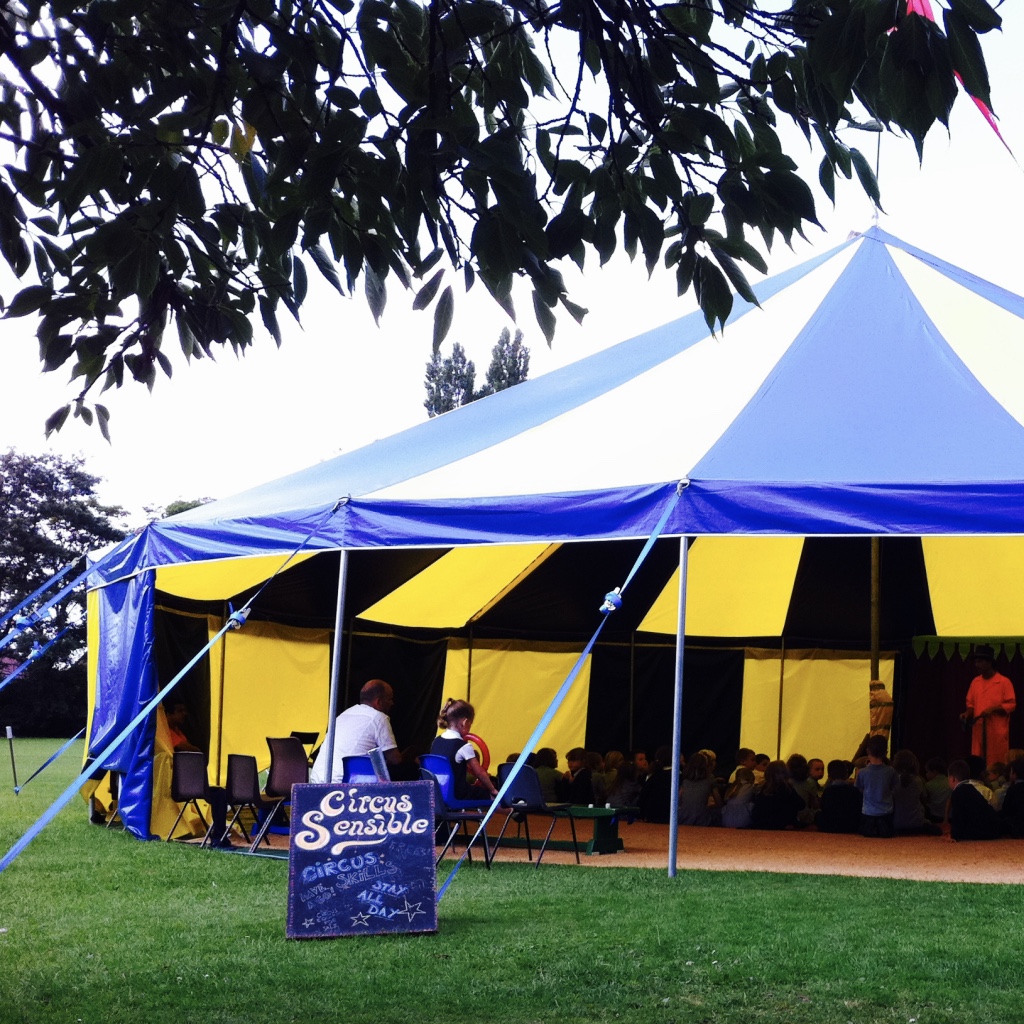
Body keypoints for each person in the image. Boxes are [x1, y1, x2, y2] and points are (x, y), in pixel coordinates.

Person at [309, 679, 401, 784]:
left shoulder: (343, 715)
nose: (392, 703)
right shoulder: (378, 718)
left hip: (317, 781)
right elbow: (395, 760)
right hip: (344, 783)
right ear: (378, 702)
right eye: (390, 699)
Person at [430, 698, 498, 799]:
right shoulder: (463, 746)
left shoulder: (436, 741)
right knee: (491, 796)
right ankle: (512, 812)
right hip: (457, 794)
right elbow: (480, 773)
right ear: (465, 722)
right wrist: (493, 789)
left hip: (436, 792)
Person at [961, 644, 1016, 765]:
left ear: (989, 663)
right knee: (978, 761)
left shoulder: (1003, 682)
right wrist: (967, 713)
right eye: (976, 662)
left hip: (996, 732)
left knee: (996, 762)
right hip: (979, 730)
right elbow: (971, 704)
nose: (977, 665)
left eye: (980, 662)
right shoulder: (976, 682)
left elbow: (1011, 704)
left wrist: (993, 709)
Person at [947, 758, 1002, 841]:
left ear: (952, 779)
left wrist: (954, 835)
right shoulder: (972, 789)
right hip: (992, 828)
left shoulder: (958, 792)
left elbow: (957, 816)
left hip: (978, 831)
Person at [856, 734, 896, 838]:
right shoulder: (890, 771)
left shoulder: (862, 772)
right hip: (886, 814)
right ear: (886, 752)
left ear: (868, 751)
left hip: (867, 813)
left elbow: (859, 789)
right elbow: (895, 788)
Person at [751, 760, 804, 830]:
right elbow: (801, 805)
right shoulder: (787, 789)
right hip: (783, 824)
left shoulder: (763, 788)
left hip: (763, 824)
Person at [815, 759, 862, 834]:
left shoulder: (828, 791)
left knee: (818, 815)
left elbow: (823, 807)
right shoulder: (854, 790)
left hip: (830, 826)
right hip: (851, 826)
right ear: (846, 774)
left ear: (829, 776)